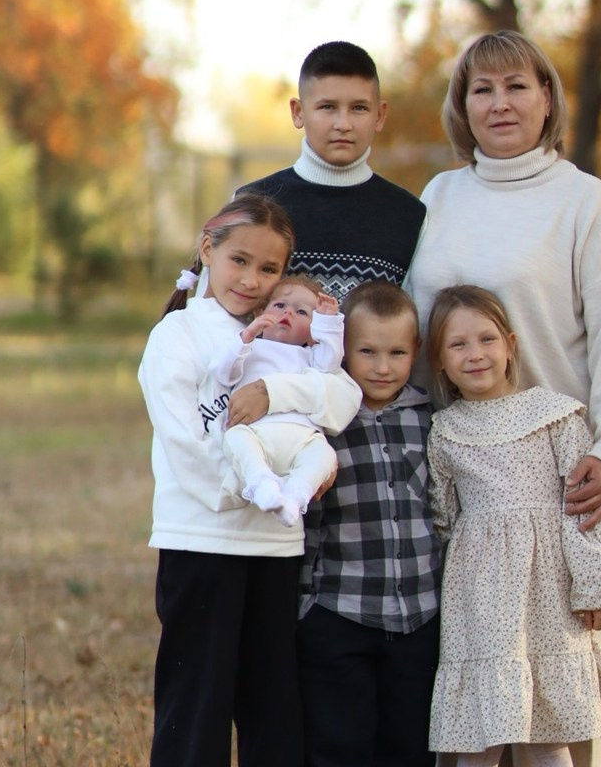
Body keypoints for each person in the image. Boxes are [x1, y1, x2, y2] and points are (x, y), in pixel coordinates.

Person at [138, 195, 362, 767]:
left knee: (272, 703)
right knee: (198, 705)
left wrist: (276, 393)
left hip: (277, 545)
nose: (253, 280)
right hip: (203, 539)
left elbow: (340, 398)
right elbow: (184, 442)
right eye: (239, 260)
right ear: (208, 250)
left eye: (270, 269)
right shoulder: (179, 335)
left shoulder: (291, 338)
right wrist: (257, 488)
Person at [406, 30, 601, 534]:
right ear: (463, 106)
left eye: (516, 87)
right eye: (483, 90)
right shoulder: (439, 196)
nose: (500, 104)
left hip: (550, 470)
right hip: (447, 463)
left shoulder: (584, 202)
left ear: (547, 98)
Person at [424, 285, 601, 767]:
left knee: (545, 731)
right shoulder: (445, 431)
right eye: (458, 345)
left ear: (511, 345)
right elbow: (442, 517)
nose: (475, 355)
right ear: (438, 360)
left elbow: (583, 507)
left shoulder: (554, 416)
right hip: (479, 596)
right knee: (480, 733)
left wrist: (597, 584)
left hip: (548, 589)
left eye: (487, 339)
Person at [296, 281, 443, 767]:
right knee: (340, 745)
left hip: (419, 617)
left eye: (397, 352)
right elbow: (308, 517)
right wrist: (306, 605)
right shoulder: (326, 420)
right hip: (340, 612)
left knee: (411, 747)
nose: (383, 367)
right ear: (343, 349)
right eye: (367, 351)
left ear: (416, 351)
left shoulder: (431, 419)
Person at [239, 40, 426, 301]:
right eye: (327, 107)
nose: (343, 124)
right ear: (298, 112)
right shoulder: (253, 203)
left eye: (359, 108)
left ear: (380, 116)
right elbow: (214, 315)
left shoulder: (409, 216)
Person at [200, 276, 346, 528]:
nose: (288, 312)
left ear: (313, 332)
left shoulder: (312, 355)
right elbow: (222, 373)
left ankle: (295, 496)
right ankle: (262, 484)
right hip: (257, 432)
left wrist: (328, 322)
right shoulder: (250, 348)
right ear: (260, 312)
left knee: (325, 455)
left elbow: (331, 362)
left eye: (302, 311)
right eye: (279, 306)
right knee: (235, 439)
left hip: (303, 438)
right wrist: (247, 336)